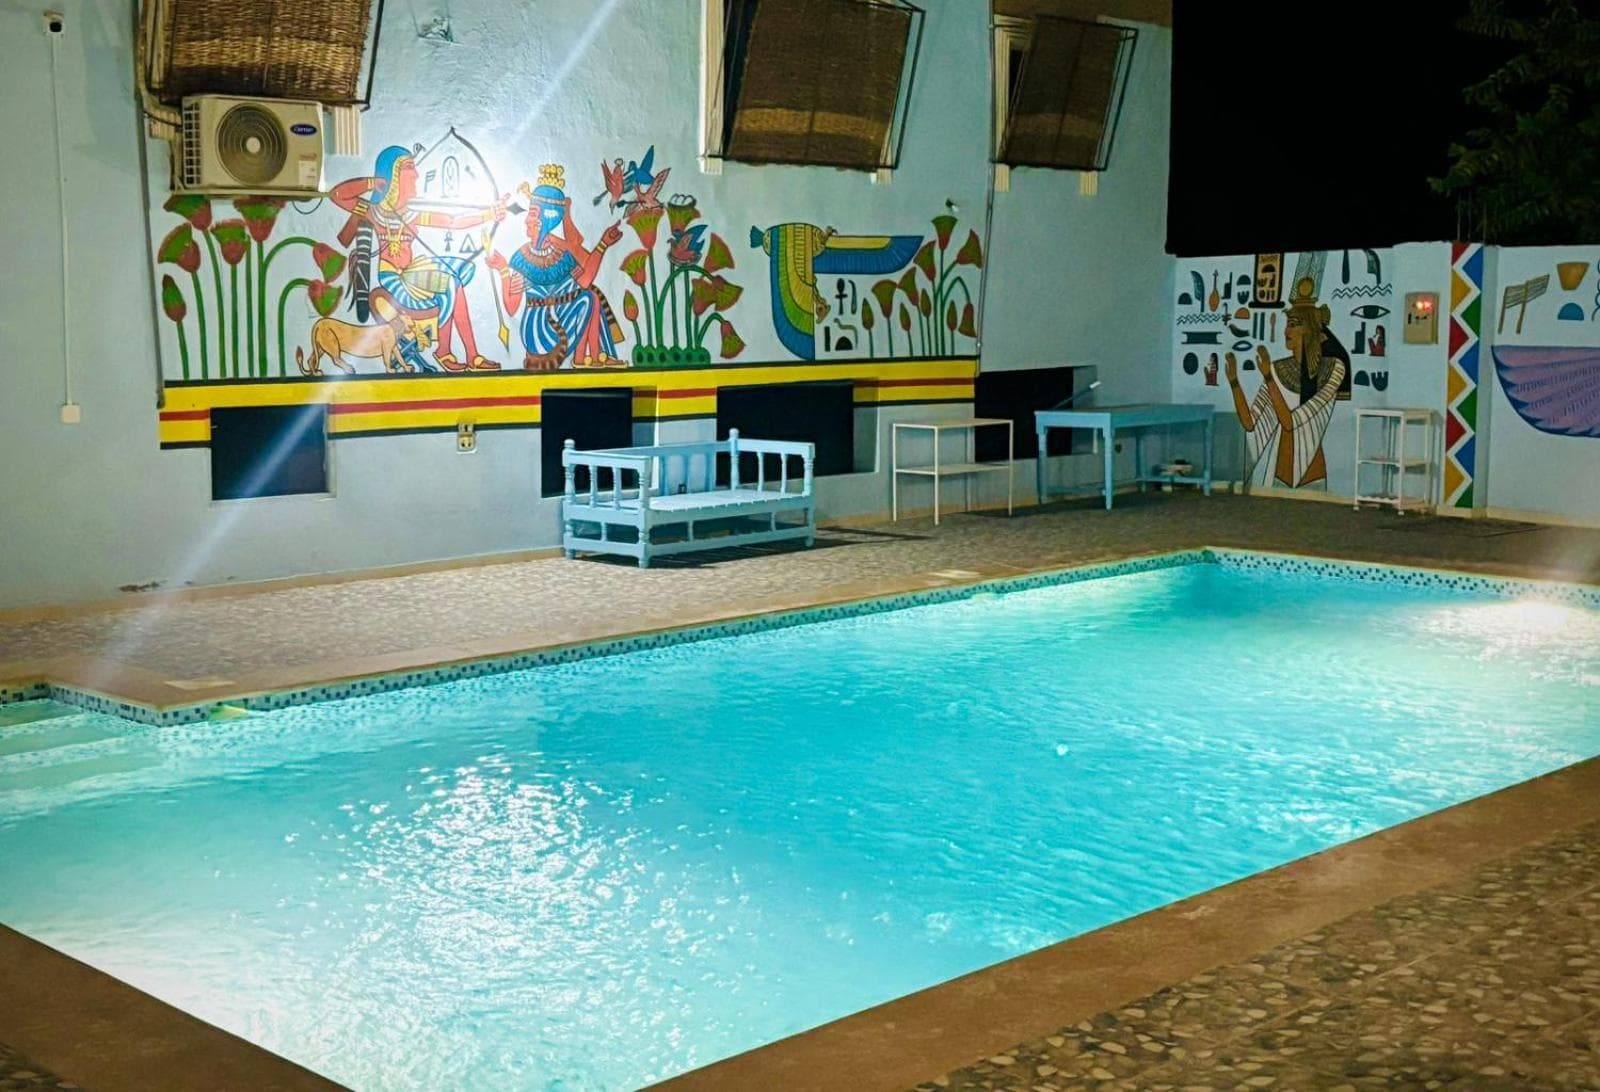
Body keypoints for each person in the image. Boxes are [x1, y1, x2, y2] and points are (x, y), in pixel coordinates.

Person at [330, 145, 507, 372]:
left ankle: (471, 355)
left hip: (414, 272)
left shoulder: (412, 214)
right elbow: (337, 195)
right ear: (394, 175)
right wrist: (373, 183)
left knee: (459, 271)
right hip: (395, 278)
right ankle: (446, 352)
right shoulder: (374, 212)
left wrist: (490, 214)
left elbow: (452, 222)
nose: (417, 174)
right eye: (410, 167)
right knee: (450, 284)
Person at [487, 164, 625, 370]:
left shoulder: (560, 254)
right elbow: (511, 307)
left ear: (545, 219)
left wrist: (603, 244)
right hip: (536, 332)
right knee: (588, 297)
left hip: (559, 322)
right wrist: (503, 270)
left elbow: (585, 280)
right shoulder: (522, 257)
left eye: (532, 213)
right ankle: (585, 359)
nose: (526, 220)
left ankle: (586, 359)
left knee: (590, 295)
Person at [1226, 276, 1350, 488]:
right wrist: (1234, 382)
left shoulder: (1333, 368)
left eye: (1293, 325)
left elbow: (1289, 422)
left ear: (1309, 328)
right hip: (1280, 473)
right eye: (1286, 325)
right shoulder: (1276, 368)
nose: (1286, 331)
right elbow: (1249, 423)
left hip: (1310, 472)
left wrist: (1268, 378)